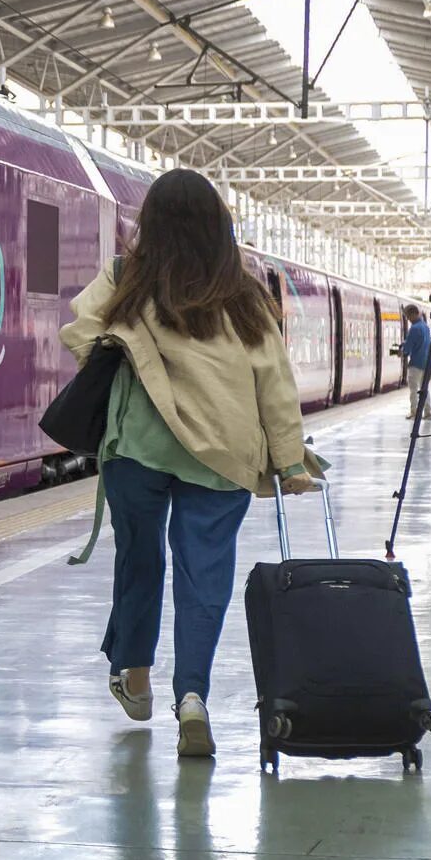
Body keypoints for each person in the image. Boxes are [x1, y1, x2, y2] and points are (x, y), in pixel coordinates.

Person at [61, 169, 320, 759]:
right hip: (223, 452)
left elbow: (80, 333)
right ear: (217, 226)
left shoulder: (126, 279)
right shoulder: (245, 295)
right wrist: (287, 462)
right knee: (203, 573)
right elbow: (274, 384)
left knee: (140, 555)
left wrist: (129, 350)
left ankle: (133, 670)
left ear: (149, 223)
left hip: (138, 446)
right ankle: (193, 698)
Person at [403, 304, 429, 420]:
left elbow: (407, 349)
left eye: (408, 316)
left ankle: (414, 412)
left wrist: (401, 352)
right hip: (426, 363)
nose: (408, 319)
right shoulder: (426, 327)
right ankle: (428, 413)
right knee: (424, 389)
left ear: (413, 314)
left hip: (415, 364)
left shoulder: (414, 329)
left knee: (413, 389)